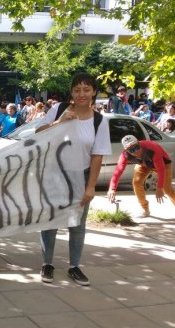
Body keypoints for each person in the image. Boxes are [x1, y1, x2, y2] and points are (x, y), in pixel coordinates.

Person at [35, 73, 111, 286]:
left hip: (82, 174)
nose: (82, 94)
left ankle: (74, 266)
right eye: (77, 90)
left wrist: (91, 186)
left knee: (77, 224)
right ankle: (47, 264)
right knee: (50, 221)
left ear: (94, 92)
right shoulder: (59, 109)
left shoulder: (99, 121)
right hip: (54, 174)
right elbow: (38, 133)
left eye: (86, 90)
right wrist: (58, 123)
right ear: (71, 92)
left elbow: (97, 155)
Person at [107, 135, 175, 217]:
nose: (135, 151)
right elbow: (117, 172)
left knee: (166, 189)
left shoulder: (152, 149)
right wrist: (112, 189)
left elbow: (161, 170)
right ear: (126, 151)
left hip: (163, 165)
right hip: (144, 164)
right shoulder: (125, 155)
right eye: (131, 150)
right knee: (136, 183)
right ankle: (145, 209)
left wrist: (159, 187)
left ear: (139, 143)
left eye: (136, 147)